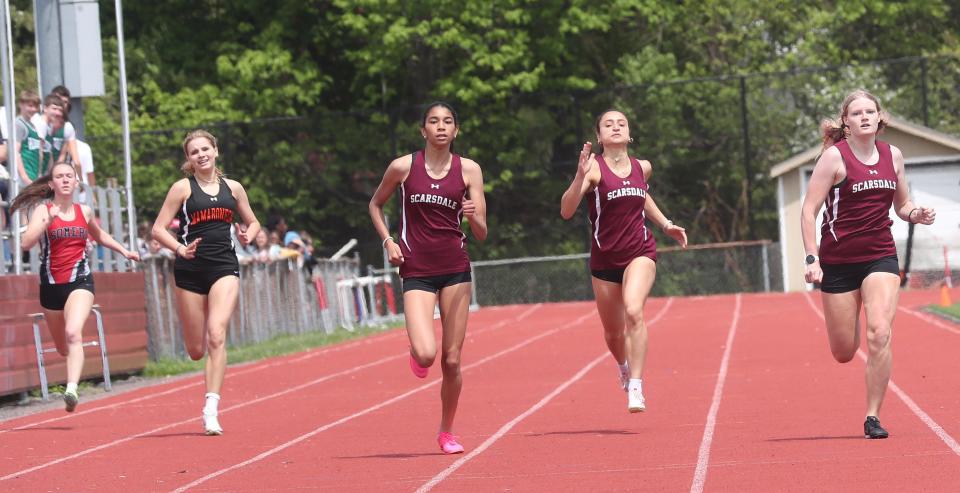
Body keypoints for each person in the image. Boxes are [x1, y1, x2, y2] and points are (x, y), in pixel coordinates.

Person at [800, 89, 936, 439]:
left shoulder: (894, 156)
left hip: (880, 256)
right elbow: (808, 210)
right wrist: (812, 258)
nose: (864, 117)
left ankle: (872, 416)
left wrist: (916, 213)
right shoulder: (834, 158)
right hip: (839, 262)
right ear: (845, 121)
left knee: (879, 332)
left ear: (879, 118)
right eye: (856, 112)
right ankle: (850, 322)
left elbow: (901, 205)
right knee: (844, 351)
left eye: (869, 111)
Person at [368, 101, 487, 454]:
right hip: (416, 269)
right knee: (425, 353)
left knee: (452, 359)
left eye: (447, 122)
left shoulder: (469, 170)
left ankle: (446, 431)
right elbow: (376, 205)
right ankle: (417, 355)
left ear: (456, 130)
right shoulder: (403, 167)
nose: (440, 127)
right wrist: (388, 240)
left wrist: (472, 215)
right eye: (433, 122)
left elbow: (481, 232)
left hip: (456, 269)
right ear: (423, 130)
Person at [560, 109, 687, 413]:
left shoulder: (642, 167)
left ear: (630, 134)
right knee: (614, 333)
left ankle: (637, 387)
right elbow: (566, 211)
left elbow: (642, 197)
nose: (615, 127)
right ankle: (623, 367)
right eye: (608, 124)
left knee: (634, 311)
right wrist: (578, 176)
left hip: (639, 251)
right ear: (599, 136)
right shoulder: (593, 170)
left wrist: (665, 223)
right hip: (604, 260)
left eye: (621, 123)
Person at [151, 129, 260, 435]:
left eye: (205, 149)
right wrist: (179, 248)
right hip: (189, 270)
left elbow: (252, 222)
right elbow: (159, 229)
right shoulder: (181, 189)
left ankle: (211, 408)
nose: (201, 155)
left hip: (224, 266)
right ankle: (207, 390)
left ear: (216, 150)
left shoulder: (233, 188)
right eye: (194, 152)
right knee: (196, 349)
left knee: (216, 333)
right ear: (188, 159)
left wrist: (246, 236)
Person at [10, 162, 140, 412]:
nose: (66, 180)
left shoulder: (85, 211)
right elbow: (26, 243)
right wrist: (44, 223)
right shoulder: (42, 210)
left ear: (76, 182)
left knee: (73, 333)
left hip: (80, 281)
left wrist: (124, 250)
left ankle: (71, 389)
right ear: (52, 184)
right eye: (60, 176)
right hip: (50, 285)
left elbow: (100, 235)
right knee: (62, 347)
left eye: (70, 176)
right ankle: (70, 378)